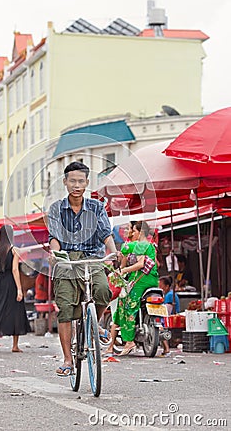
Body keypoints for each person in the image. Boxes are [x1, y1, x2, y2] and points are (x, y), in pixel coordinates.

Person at [48, 161, 118, 377]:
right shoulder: (56, 209)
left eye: (81, 181)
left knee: (103, 291)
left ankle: (94, 324)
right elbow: (55, 237)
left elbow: (106, 233)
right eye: (72, 181)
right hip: (67, 260)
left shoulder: (97, 207)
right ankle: (68, 359)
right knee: (66, 309)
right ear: (65, 182)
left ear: (87, 182)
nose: (76, 185)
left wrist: (113, 252)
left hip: (92, 258)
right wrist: (55, 254)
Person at [105, 221, 159, 356]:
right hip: (149, 279)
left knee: (128, 306)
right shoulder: (144, 245)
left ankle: (129, 341)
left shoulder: (141, 245)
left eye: (132, 230)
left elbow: (140, 264)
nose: (130, 232)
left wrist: (123, 271)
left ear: (140, 232)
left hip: (141, 280)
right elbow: (123, 262)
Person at [0, 225, 30, 353]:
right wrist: (19, 289)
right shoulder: (14, 250)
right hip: (11, 282)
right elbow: (15, 270)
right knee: (15, 310)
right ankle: (15, 345)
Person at [159, 275, 180, 357]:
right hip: (168, 315)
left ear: (167, 286)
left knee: (159, 326)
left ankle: (166, 348)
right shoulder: (168, 294)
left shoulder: (170, 295)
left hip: (171, 317)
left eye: (161, 286)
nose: (159, 288)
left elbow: (167, 311)